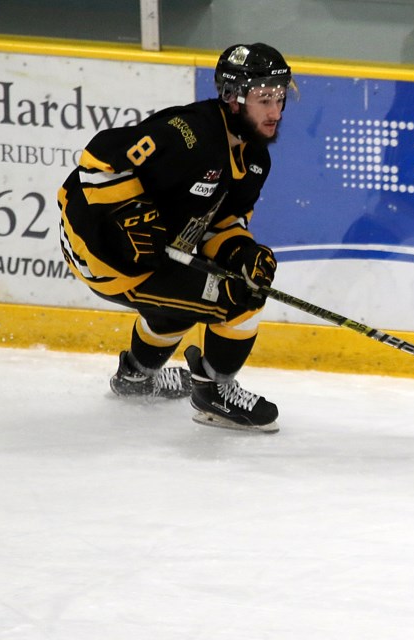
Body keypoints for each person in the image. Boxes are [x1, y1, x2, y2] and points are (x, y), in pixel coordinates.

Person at [58, 43, 296, 433]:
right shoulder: (191, 134)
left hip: (154, 257)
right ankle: (214, 394)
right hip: (103, 252)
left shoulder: (255, 160)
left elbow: (223, 224)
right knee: (239, 300)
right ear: (234, 98)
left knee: (198, 296)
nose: (275, 111)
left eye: (280, 97)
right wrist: (130, 214)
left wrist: (243, 254)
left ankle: (135, 376)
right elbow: (99, 159)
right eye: (263, 98)